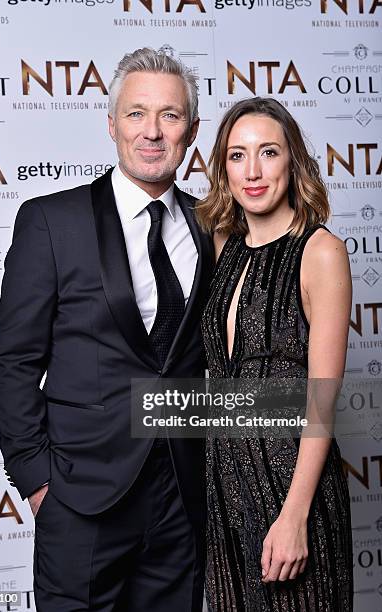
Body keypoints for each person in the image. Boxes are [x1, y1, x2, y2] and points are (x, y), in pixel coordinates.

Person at [0, 47, 213, 612]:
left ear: (191, 130)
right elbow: (15, 358)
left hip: (183, 498)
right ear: (111, 124)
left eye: (169, 115)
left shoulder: (214, 226)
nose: (153, 131)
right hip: (81, 495)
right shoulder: (50, 221)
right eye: (137, 113)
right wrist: (39, 481)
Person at [197, 97, 353, 611]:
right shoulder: (223, 244)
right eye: (238, 156)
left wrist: (294, 516)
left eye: (269, 152)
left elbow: (321, 399)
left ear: (293, 160)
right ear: (223, 167)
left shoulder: (320, 251)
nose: (254, 171)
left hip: (292, 489)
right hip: (225, 489)